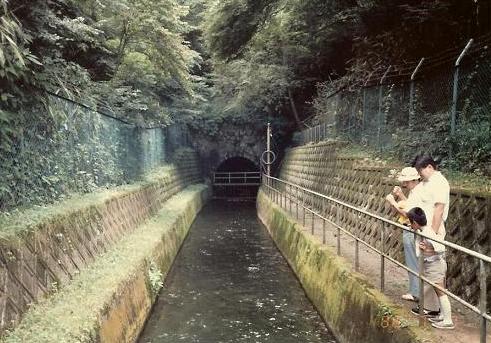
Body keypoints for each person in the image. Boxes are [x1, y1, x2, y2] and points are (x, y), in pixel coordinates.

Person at [385, 167, 440, 315]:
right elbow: (412, 207)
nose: (404, 184)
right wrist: (402, 195)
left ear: (413, 180)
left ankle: (416, 293)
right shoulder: (418, 190)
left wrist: (393, 202)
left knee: (414, 262)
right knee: (417, 262)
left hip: (413, 229)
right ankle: (420, 295)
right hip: (416, 229)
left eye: (406, 182)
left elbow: (409, 213)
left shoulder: (418, 192)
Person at [406, 207, 454, 330]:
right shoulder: (423, 231)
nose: (409, 224)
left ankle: (448, 320)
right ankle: (443, 316)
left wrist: (429, 249)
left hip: (435, 265)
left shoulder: (428, 233)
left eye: (410, 222)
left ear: (415, 223)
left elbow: (441, 248)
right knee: (438, 291)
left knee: (441, 292)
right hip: (432, 265)